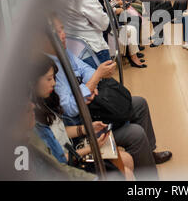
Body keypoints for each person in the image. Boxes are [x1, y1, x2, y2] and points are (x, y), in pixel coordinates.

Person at [42, 14, 172, 179]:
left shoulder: (63, 53)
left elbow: (85, 70)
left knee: (140, 103)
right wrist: (92, 82)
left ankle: (148, 153)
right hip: (83, 121)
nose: (63, 35)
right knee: (135, 133)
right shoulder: (50, 69)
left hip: (90, 106)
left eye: (62, 29)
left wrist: (89, 85)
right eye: (56, 31)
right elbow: (70, 108)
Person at [30, 54, 135, 180]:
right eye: (48, 79)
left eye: (54, 78)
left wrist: (86, 128)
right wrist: (92, 148)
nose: (53, 83)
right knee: (126, 173)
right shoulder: (33, 119)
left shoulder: (45, 102)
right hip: (67, 164)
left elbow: (60, 130)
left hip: (72, 152)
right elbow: (60, 160)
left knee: (127, 160)